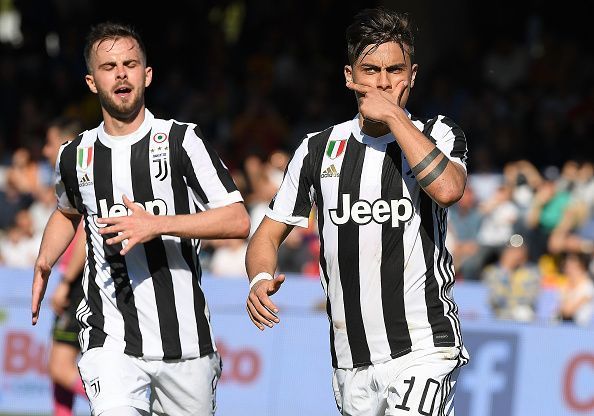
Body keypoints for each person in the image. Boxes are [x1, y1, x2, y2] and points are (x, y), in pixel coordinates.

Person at [245, 7, 469, 415]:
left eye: (394, 70)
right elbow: (267, 232)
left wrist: (395, 117)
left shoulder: (438, 133)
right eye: (370, 70)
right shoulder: (317, 149)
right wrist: (260, 277)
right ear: (349, 76)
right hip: (351, 363)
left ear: (412, 75)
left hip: (424, 348)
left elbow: (449, 189)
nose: (382, 83)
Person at [31, 22, 250, 416]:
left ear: (146, 75)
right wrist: (45, 261)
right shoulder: (75, 155)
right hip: (110, 337)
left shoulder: (183, 140)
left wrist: (158, 224)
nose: (120, 72)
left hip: (185, 344)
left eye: (130, 63)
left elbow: (237, 220)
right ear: (91, 81)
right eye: (109, 65)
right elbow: (66, 212)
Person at [39, 116, 88, 416]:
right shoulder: (68, 180)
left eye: (49, 143)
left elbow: (84, 232)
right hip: (73, 284)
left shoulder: (81, 179)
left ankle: (126, 407)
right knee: (59, 370)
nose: (45, 150)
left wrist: (67, 283)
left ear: (65, 144)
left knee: (60, 368)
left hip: (78, 285)